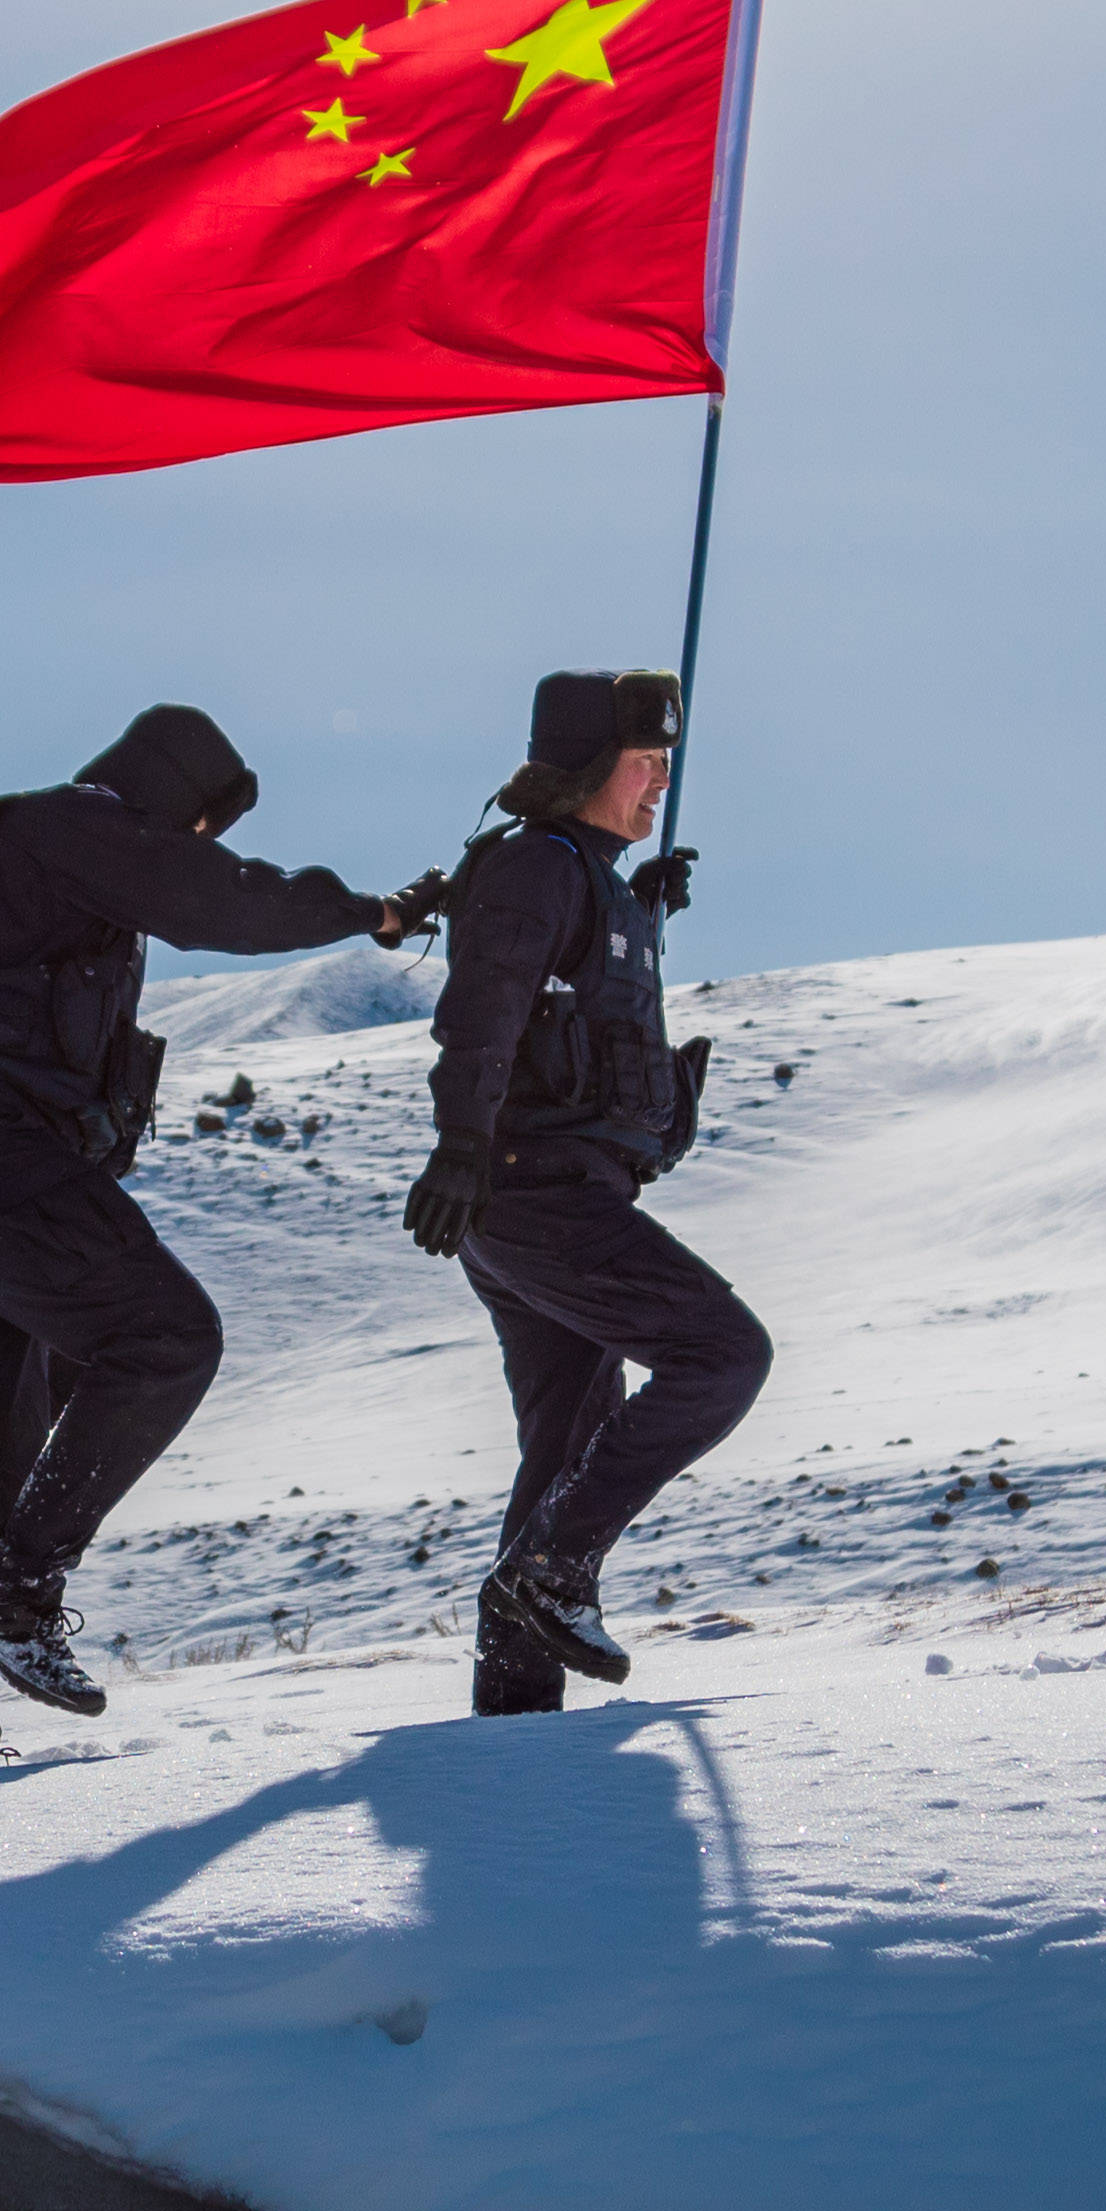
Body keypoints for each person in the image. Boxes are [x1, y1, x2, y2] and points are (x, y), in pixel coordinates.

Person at [0, 702, 436, 1758]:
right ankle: (14, 1593)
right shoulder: (69, 827)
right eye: (198, 828)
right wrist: (373, 913)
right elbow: (217, 900)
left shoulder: (10, 854)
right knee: (167, 1339)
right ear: (170, 796)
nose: (193, 849)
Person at [404, 671, 772, 1712]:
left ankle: (515, 1723)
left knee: (566, 1437)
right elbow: (482, 1009)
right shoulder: (536, 868)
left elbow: (574, 996)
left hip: (548, 1198)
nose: (663, 779)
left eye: (667, 761)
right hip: (536, 1196)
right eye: (644, 758)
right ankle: (545, 1576)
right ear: (584, 767)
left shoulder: (584, 876)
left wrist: (633, 911)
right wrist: (461, 1147)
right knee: (722, 1353)